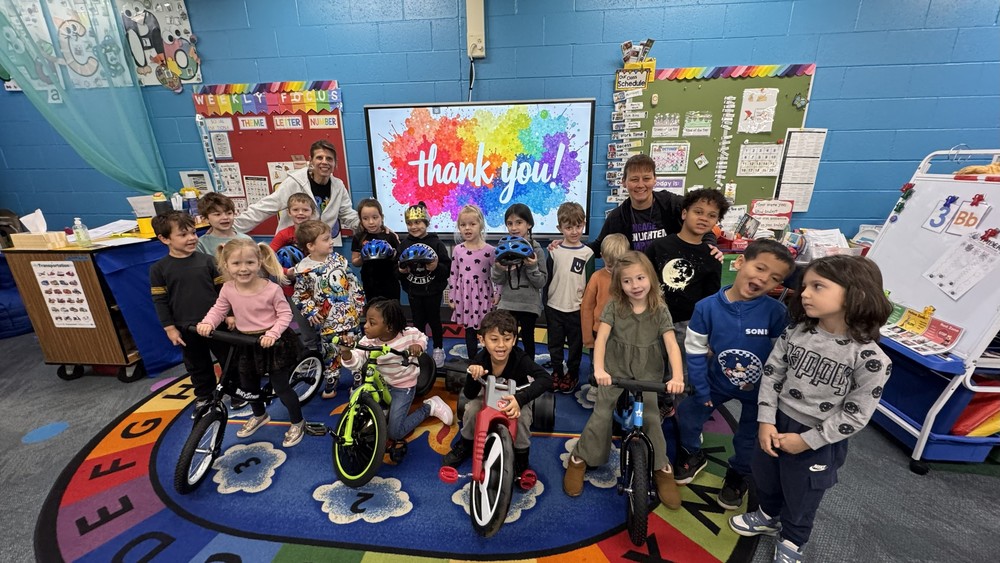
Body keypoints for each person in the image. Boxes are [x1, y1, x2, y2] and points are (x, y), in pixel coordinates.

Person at [729, 255, 893, 563]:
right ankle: (768, 516)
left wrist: (807, 441)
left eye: (818, 286)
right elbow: (771, 375)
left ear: (855, 293)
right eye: (804, 286)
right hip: (777, 422)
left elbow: (856, 414)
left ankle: (793, 540)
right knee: (766, 475)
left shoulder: (871, 359)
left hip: (818, 438)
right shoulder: (795, 332)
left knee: (802, 494)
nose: (804, 294)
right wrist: (766, 421)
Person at [674, 239, 795, 512]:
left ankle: (738, 473)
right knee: (689, 412)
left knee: (751, 435)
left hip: (760, 390)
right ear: (739, 262)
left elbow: (782, 357)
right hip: (717, 380)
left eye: (774, 278)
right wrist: (701, 387)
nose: (763, 279)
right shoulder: (705, 307)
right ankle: (692, 452)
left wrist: (774, 395)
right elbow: (695, 351)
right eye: (760, 268)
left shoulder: (777, 312)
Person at [563, 251, 684, 510]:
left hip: (647, 370)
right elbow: (602, 339)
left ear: (651, 277)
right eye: (627, 281)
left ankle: (661, 468)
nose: (635, 285)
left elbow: (672, 344)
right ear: (619, 284)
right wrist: (599, 369)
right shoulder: (615, 306)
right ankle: (580, 458)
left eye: (640, 278)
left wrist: (677, 376)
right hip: (615, 366)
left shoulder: (659, 308)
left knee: (651, 416)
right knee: (602, 413)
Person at [195, 239, 307, 447]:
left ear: (259, 262)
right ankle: (260, 414)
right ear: (226, 265)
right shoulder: (228, 288)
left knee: (281, 387)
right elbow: (219, 309)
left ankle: (298, 422)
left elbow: (285, 314)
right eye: (236, 263)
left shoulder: (271, 289)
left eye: (249, 262)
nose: (243, 269)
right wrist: (208, 322)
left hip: (272, 342)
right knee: (248, 385)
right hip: (245, 342)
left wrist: (273, 334)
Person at [441, 310, 553, 482]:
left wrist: (521, 399)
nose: (501, 345)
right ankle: (466, 443)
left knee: (522, 418)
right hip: (487, 395)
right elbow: (469, 394)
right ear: (482, 340)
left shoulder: (520, 359)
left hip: (516, 397)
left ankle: (521, 457)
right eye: (494, 339)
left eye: (507, 339)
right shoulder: (480, 359)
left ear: (514, 340)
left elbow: (545, 379)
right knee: (471, 410)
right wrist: (474, 376)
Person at [150, 211, 233, 412]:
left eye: (193, 233)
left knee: (228, 359)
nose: (192, 238)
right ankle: (205, 395)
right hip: (186, 327)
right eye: (183, 234)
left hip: (217, 323)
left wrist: (230, 314)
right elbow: (160, 300)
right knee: (197, 364)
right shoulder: (159, 269)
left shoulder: (208, 261)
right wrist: (170, 328)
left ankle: (235, 390)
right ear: (164, 239)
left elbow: (223, 291)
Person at [645, 188, 729, 384]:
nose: (704, 218)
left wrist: (707, 334)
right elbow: (645, 281)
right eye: (698, 212)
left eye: (711, 215)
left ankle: (678, 402)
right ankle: (654, 400)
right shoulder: (659, 246)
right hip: (654, 320)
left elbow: (710, 300)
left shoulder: (712, 257)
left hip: (688, 326)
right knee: (651, 371)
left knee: (680, 375)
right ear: (684, 213)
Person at [340, 298, 453, 445]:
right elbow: (355, 362)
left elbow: (422, 337)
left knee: (395, 432)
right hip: (380, 384)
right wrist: (346, 352)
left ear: (389, 327)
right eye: (366, 321)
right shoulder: (367, 342)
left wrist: (418, 345)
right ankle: (384, 409)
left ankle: (430, 407)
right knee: (357, 399)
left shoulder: (408, 334)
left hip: (403, 386)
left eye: (371, 323)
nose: (365, 326)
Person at [291, 220, 365, 399]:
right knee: (330, 351)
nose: (331, 241)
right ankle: (332, 377)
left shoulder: (339, 259)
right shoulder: (303, 269)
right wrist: (311, 311)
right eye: (325, 239)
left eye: (330, 238)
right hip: (327, 321)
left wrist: (359, 301)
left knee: (354, 346)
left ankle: (358, 376)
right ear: (311, 246)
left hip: (349, 315)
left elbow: (353, 281)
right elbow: (300, 295)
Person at [589, 154, 718, 256]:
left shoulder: (673, 204)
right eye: (634, 179)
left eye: (646, 179)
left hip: (673, 274)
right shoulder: (617, 217)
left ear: (655, 179)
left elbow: (704, 230)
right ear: (624, 182)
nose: (640, 185)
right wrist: (576, 248)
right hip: (637, 278)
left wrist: (710, 247)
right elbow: (598, 247)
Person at [233, 139, 359, 238]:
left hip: (319, 248)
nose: (324, 162)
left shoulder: (338, 186)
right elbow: (263, 208)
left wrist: (367, 225)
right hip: (292, 246)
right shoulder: (295, 182)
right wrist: (231, 228)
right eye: (319, 158)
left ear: (335, 163)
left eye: (329, 159)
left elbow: (347, 214)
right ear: (311, 161)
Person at [545, 202, 594, 394]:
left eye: (578, 226)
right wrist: (545, 304)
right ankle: (557, 372)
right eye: (568, 227)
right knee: (554, 344)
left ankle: (572, 374)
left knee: (575, 346)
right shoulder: (554, 251)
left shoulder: (588, 253)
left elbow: (590, 285)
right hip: (554, 307)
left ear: (584, 224)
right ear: (560, 228)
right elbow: (548, 279)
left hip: (577, 309)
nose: (574, 231)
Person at [397, 202, 452, 368]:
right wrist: (401, 271)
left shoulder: (436, 243)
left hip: (433, 292)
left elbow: (447, 269)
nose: (414, 227)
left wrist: (436, 267)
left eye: (418, 222)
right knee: (418, 323)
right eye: (410, 223)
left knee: (435, 321)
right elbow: (396, 270)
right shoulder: (404, 245)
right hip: (414, 292)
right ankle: (419, 349)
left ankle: (438, 348)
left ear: (426, 222)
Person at [492, 203, 547, 360]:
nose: (514, 227)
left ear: (529, 224)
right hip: (507, 303)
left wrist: (532, 267)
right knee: (507, 339)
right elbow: (497, 279)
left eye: (519, 222)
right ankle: (509, 367)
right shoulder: (503, 248)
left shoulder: (537, 250)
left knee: (528, 338)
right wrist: (499, 268)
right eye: (510, 223)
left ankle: (528, 368)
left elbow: (541, 282)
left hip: (529, 304)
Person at [580, 233, 629, 402]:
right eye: (609, 264)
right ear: (602, 256)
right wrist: (587, 337)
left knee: (621, 363)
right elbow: (587, 308)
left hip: (622, 333)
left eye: (618, 264)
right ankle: (595, 386)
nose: (613, 268)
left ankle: (619, 389)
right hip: (598, 332)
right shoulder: (597, 277)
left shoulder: (629, 278)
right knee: (597, 361)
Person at [269, 192, 320, 352]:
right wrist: (286, 271)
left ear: (312, 212)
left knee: (322, 318)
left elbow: (327, 253)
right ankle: (311, 351)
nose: (300, 213)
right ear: (289, 212)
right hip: (294, 289)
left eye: (305, 210)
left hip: (317, 285)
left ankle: (326, 348)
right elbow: (268, 257)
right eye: (296, 209)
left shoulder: (318, 232)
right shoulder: (284, 234)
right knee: (304, 322)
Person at [448, 204, 496, 359]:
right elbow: (453, 275)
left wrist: (498, 294)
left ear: (480, 225)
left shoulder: (490, 250)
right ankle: (473, 361)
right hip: (465, 297)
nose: (467, 228)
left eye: (472, 224)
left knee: (486, 330)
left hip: (483, 296)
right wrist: (452, 297)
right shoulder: (458, 250)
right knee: (469, 331)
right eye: (463, 225)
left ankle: (488, 361)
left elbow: (497, 276)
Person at [350, 198, 401, 302]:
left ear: (381, 217)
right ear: (361, 220)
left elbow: (400, 258)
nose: (371, 222)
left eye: (375, 217)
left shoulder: (390, 236)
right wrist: (363, 257)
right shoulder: (359, 237)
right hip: (370, 282)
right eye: (365, 218)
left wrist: (392, 254)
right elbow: (354, 262)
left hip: (390, 281)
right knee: (373, 308)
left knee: (392, 308)